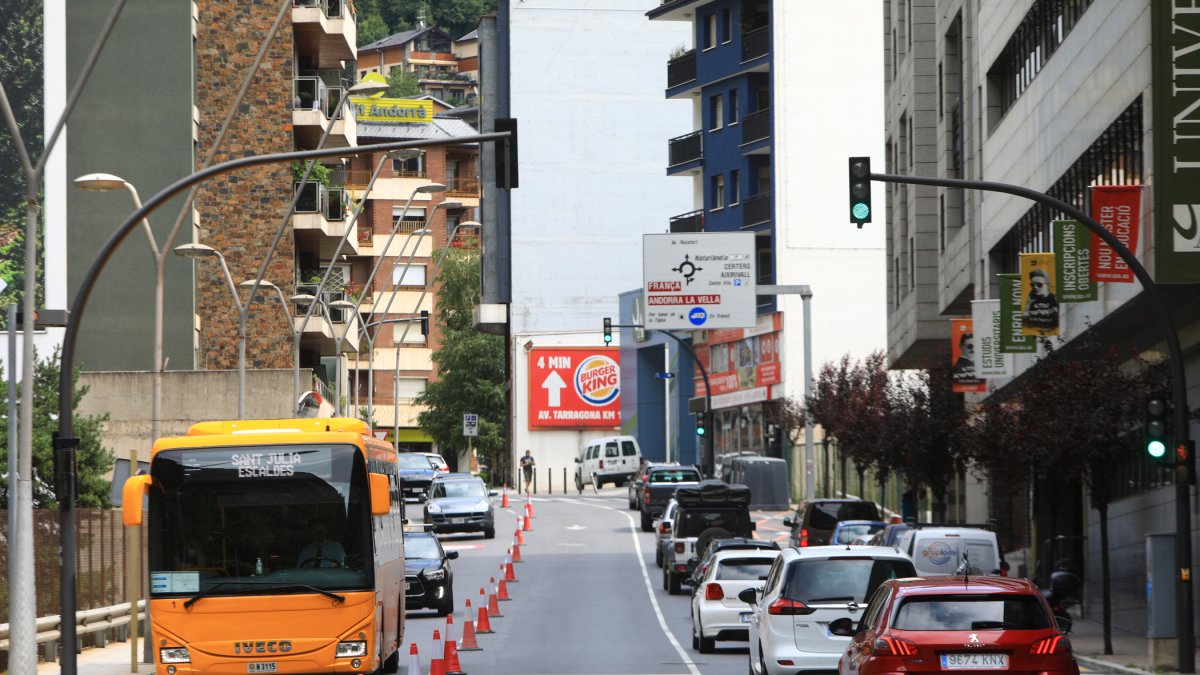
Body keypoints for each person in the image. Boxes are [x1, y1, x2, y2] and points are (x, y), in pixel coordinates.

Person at [1023, 268, 1059, 332]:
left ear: (1047, 285)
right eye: (1032, 284)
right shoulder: (1031, 300)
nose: (1035, 287)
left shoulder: (1055, 299)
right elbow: (1025, 323)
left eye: (1039, 284)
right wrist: (1028, 304)